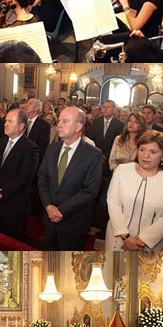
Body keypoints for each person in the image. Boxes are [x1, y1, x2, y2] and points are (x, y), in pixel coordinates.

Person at [38, 106, 104, 248]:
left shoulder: (93, 154)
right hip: (49, 219)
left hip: (74, 222)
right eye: (59, 121)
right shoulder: (53, 148)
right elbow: (42, 178)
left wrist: (61, 210)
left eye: (65, 121)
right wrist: (48, 205)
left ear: (79, 126)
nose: (59, 125)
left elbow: (89, 191)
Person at [0, 108, 39, 242]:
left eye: (10, 121)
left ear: (21, 126)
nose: (5, 124)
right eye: (5, 121)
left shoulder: (31, 148)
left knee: (12, 245)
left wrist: (0, 193)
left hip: (14, 206)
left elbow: (24, 179)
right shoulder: (0, 142)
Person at [105, 131, 163, 251]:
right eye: (142, 149)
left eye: (153, 152)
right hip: (118, 238)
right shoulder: (122, 170)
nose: (145, 155)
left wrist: (141, 240)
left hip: (149, 245)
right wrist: (126, 237)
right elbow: (113, 203)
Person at [87, 100, 125, 168]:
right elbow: (92, 139)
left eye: (108, 107)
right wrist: (96, 154)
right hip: (95, 157)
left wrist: (105, 157)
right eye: (104, 107)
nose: (105, 109)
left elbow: (116, 144)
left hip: (110, 159)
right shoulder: (96, 122)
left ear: (114, 110)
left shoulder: (120, 124)